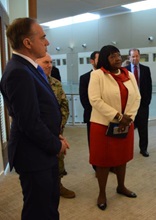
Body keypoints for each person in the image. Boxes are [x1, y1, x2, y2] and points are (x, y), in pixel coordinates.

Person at [0, 17, 69, 220]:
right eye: (43, 37)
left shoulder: (29, 68)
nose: (47, 42)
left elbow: (43, 111)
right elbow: (29, 122)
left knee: (49, 205)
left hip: (42, 150)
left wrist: (56, 135)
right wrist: (56, 145)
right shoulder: (18, 72)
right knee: (38, 211)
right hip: (33, 155)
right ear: (27, 43)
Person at [88, 45, 141, 211]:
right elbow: (95, 100)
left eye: (118, 55)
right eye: (112, 56)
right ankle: (102, 193)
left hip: (126, 124)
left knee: (122, 157)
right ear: (105, 59)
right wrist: (118, 117)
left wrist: (129, 117)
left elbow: (137, 97)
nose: (118, 59)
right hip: (103, 125)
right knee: (103, 160)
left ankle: (121, 186)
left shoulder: (129, 75)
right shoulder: (97, 75)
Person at [36, 53, 76, 199]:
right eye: (45, 62)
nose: (50, 65)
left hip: (56, 132)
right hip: (38, 133)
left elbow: (64, 106)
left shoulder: (56, 84)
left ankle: (58, 186)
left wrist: (58, 126)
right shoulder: (31, 83)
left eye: (51, 62)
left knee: (58, 159)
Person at [125, 48, 152, 157]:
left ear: (139, 56)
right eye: (133, 56)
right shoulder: (124, 70)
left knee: (143, 128)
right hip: (129, 105)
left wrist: (147, 102)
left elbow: (149, 87)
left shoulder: (146, 69)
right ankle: (126, 149)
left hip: (143, 105)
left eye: (137, 56)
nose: (135, 58)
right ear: (129, 57)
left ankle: (143, 149)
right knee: (127, 128)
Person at [79, 51, 99, 170]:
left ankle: (110, 165)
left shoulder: (109, 76)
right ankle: (96, 166)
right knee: (94, 144)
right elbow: (84, 100)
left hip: (109, 117)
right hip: (92, 116)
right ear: (92, 61)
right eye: (99, 59)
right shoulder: (85, 78)